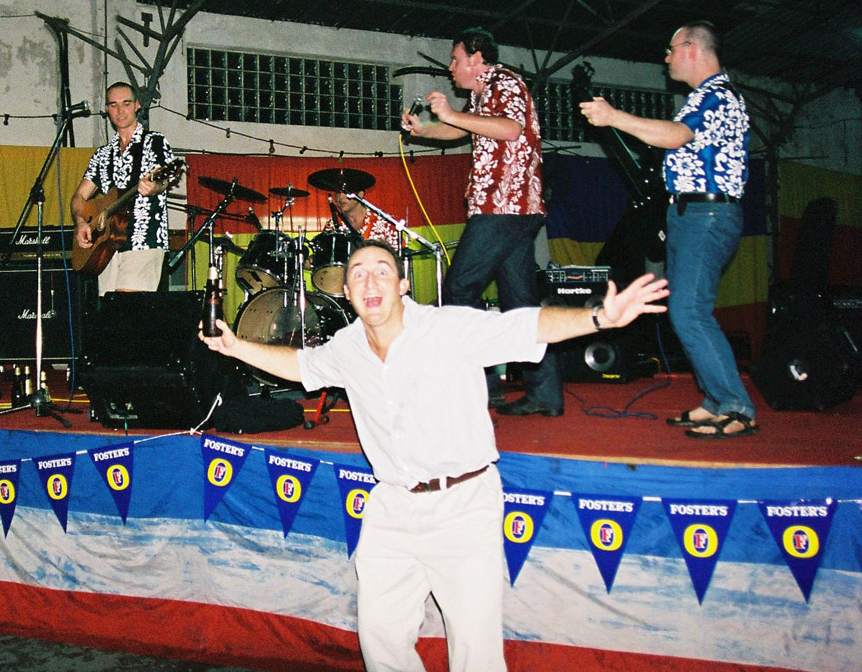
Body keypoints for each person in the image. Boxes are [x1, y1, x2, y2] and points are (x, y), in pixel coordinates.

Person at [201, 239, 668, 671]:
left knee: (474, 652)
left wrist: (599, 317)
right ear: (346, 292)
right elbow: (301, 365)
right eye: (358, 273)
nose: (369, 281)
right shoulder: (346, 347)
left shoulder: (448, 328)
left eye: (382, 271)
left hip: (462, 505)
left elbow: (528, 325)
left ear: (403, 284)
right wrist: (236, 347)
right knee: (381, 641)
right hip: (391, 506)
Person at [580, 21, 758, 438]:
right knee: (686, 311)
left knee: (689, 311)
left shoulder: (716, 95)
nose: (666, 58)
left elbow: (675, 137)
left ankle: (737, 406)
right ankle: (715, 401)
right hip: (692, 214)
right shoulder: (703, 97)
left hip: (706, 215)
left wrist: (614, 117)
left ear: (693, 49)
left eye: (671, 49)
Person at [401, 27, 563, 416]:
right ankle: (545, 393)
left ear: (476, 58)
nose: (451, 67)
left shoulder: (503, 82)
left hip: (502, 207)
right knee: (521, 304)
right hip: (517, 210)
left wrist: (450, 113)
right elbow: (462, 128)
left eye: (455, 59)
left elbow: (510, 128)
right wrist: (426, 129)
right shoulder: (483, 93)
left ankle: (480, 386)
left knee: (460, 290)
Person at [70, 82, 177, 295]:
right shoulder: (102, 155)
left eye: (126, 103)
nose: (120, 111)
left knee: (127, 308)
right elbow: (79, 196)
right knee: (111, 312)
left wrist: (154, 187)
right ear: (107, 110)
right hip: (107, 247)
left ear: (137, 105)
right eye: (114, 105)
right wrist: (81, 222)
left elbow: (163, 181)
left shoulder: (154, 142)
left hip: (143, 241)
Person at [332, 188, 400, 250]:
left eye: (346, 192)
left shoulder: (385, 222)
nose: (340, 197)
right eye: (338, 192)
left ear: (360, 194)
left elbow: (399, 255)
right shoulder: (332, 226)